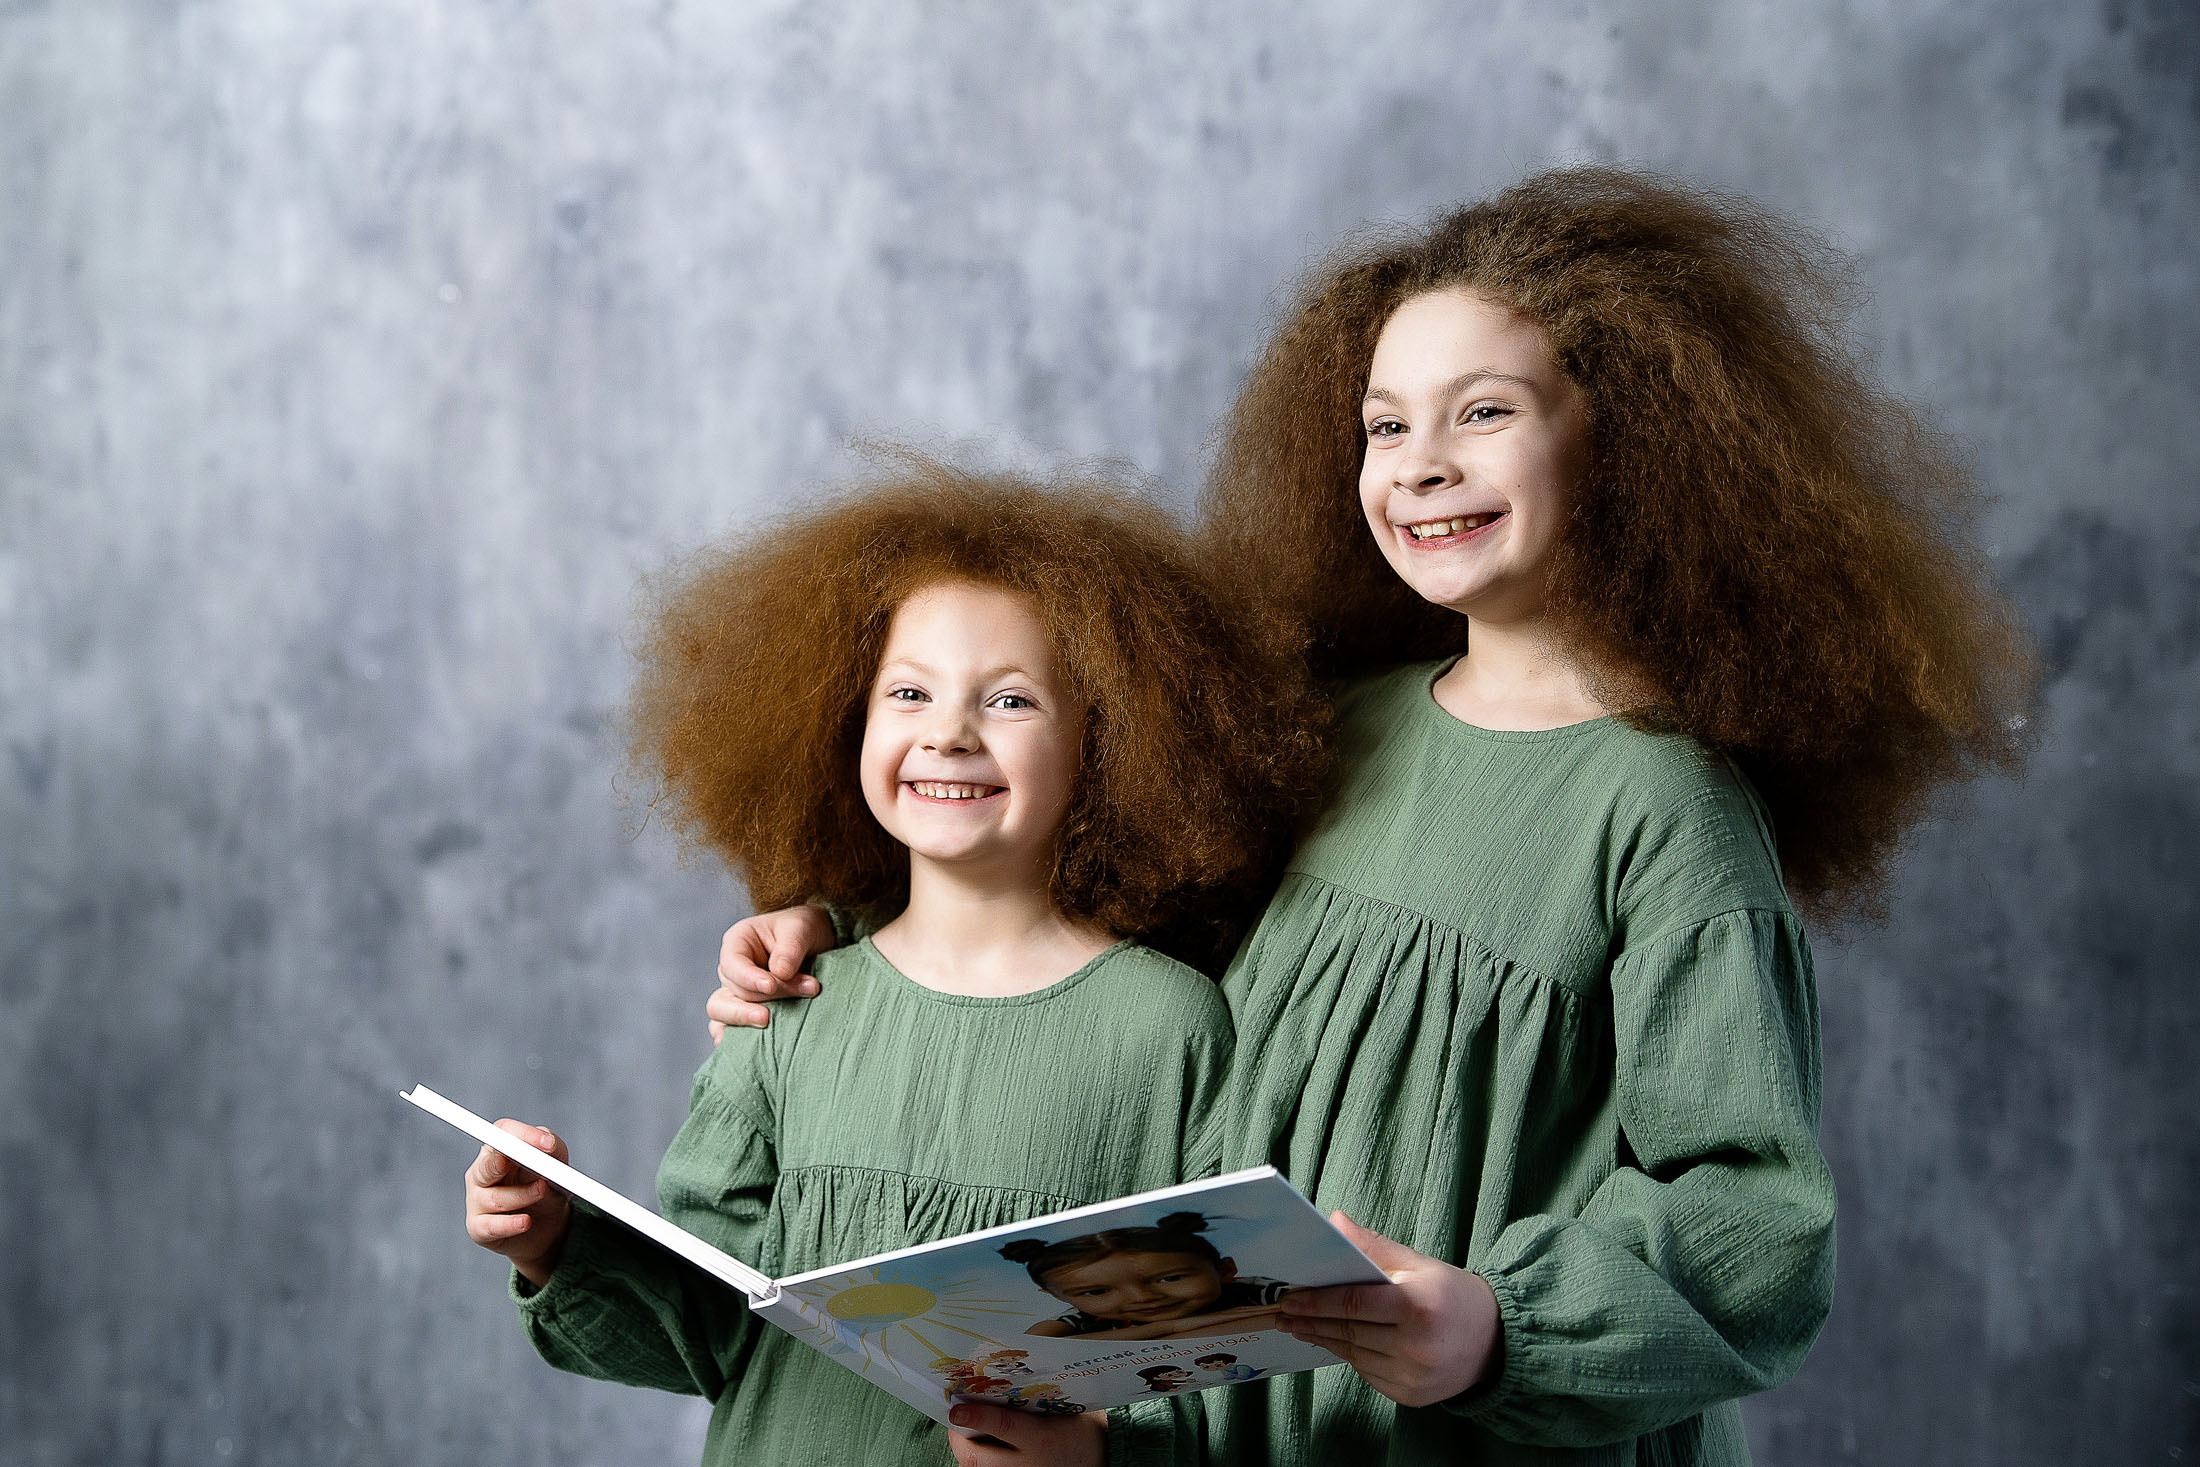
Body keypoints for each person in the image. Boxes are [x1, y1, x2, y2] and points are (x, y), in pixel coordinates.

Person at [705, 168, 2037, 1466]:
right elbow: (1079, 908)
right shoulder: (1333, 728)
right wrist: (822, 927)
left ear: (1633, 432)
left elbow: (1754, 1217)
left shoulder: (1669, 810)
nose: (1424, 465)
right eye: (1386, 425)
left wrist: (1496, 1327)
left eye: (1487, 412)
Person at [462, 462, 1327, 1467]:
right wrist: (549, 1243)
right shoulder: (787, 1012)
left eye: (1009, 701)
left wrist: (1098, 1450)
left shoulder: (1170, 1028)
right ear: (849, 722)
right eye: (908, 692)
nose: (948, 734)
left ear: (1107, 742)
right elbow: (706, 1335)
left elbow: (1223, 1353)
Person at [1002, 1211, 1293, 1340]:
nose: (1142, 1298)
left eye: (1170, 1278)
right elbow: (1034, 1346)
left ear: (1224, 1270)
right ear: (1055, 1296)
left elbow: (1308, 1309)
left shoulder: (1251, 1291)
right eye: (1097, 1292)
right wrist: (1175, 1328)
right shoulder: (1087, 1318)